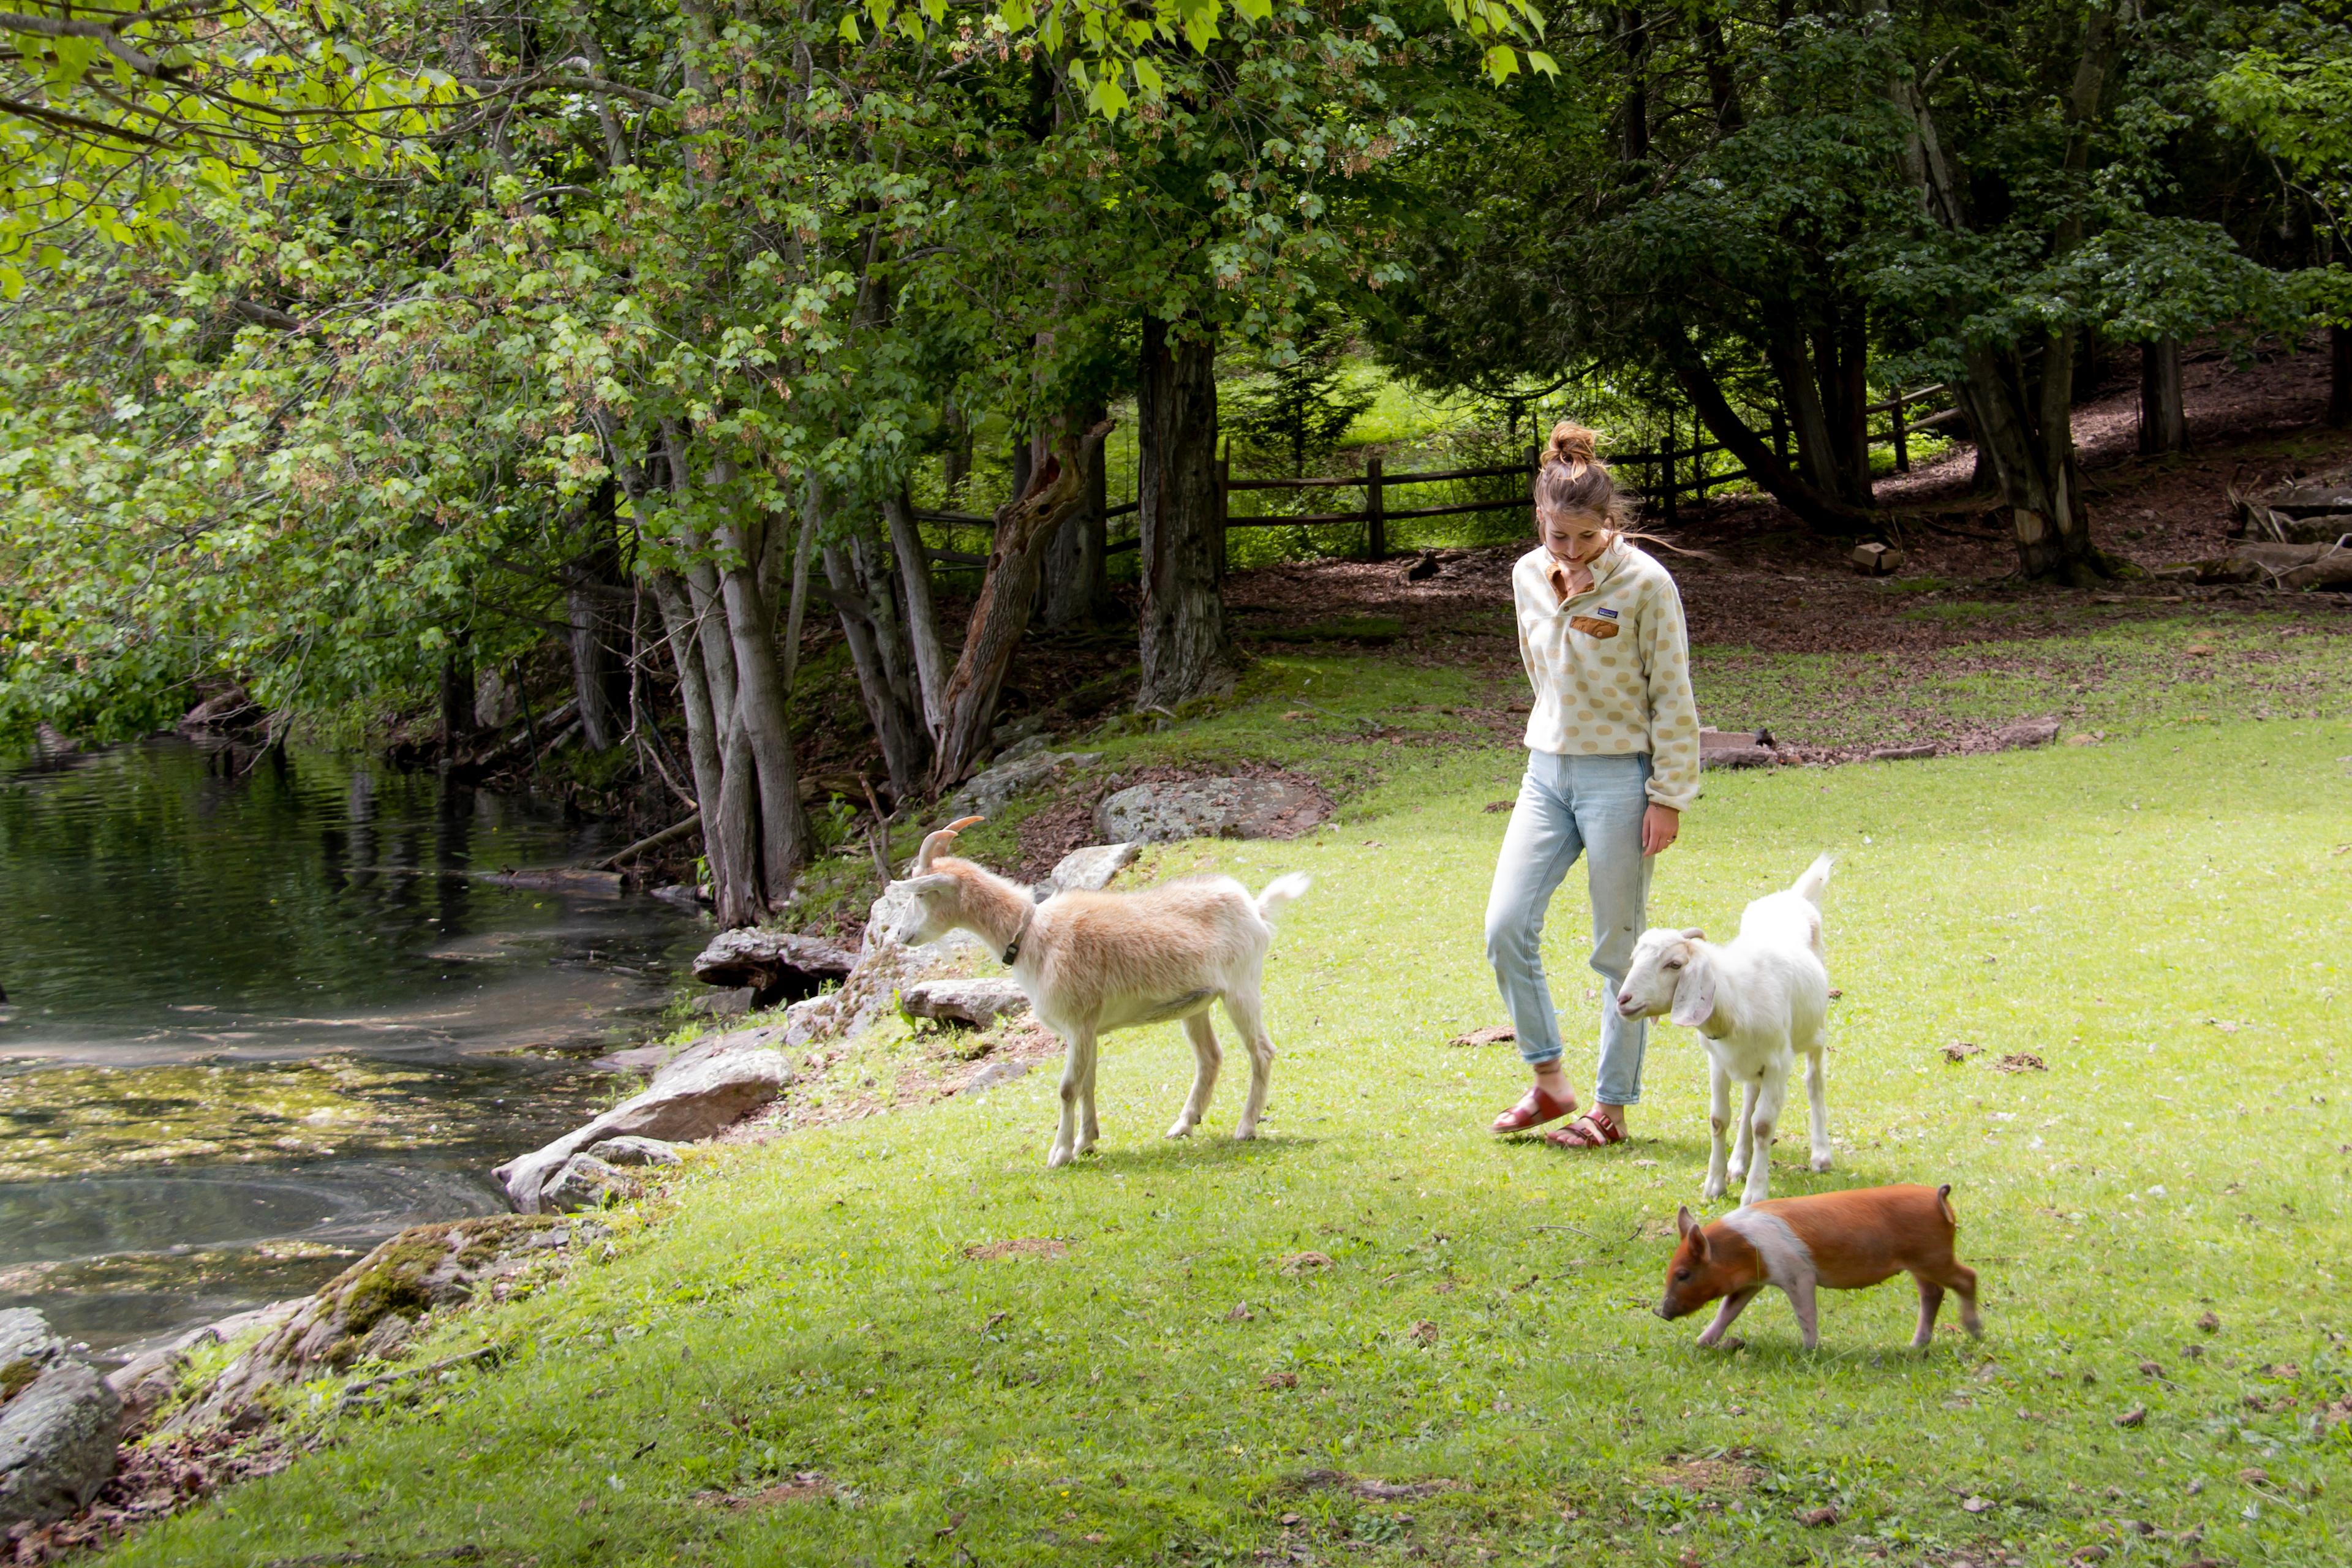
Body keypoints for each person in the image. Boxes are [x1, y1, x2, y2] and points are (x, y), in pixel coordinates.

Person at [1483, 421, 1700, 1150]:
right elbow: (1539, 670)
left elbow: (1673, 695)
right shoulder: (1526, 575)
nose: (1571, 550)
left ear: (1609, 522)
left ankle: (1611, 1109)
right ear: (1539, 519)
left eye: (1585, 536)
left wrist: (1667, 795)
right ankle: (1549, 1080)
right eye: (1558, 536)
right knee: (1505, 926)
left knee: (1619, 950)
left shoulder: (1646, 584)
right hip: (1545, 774)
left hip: (1622, 780)